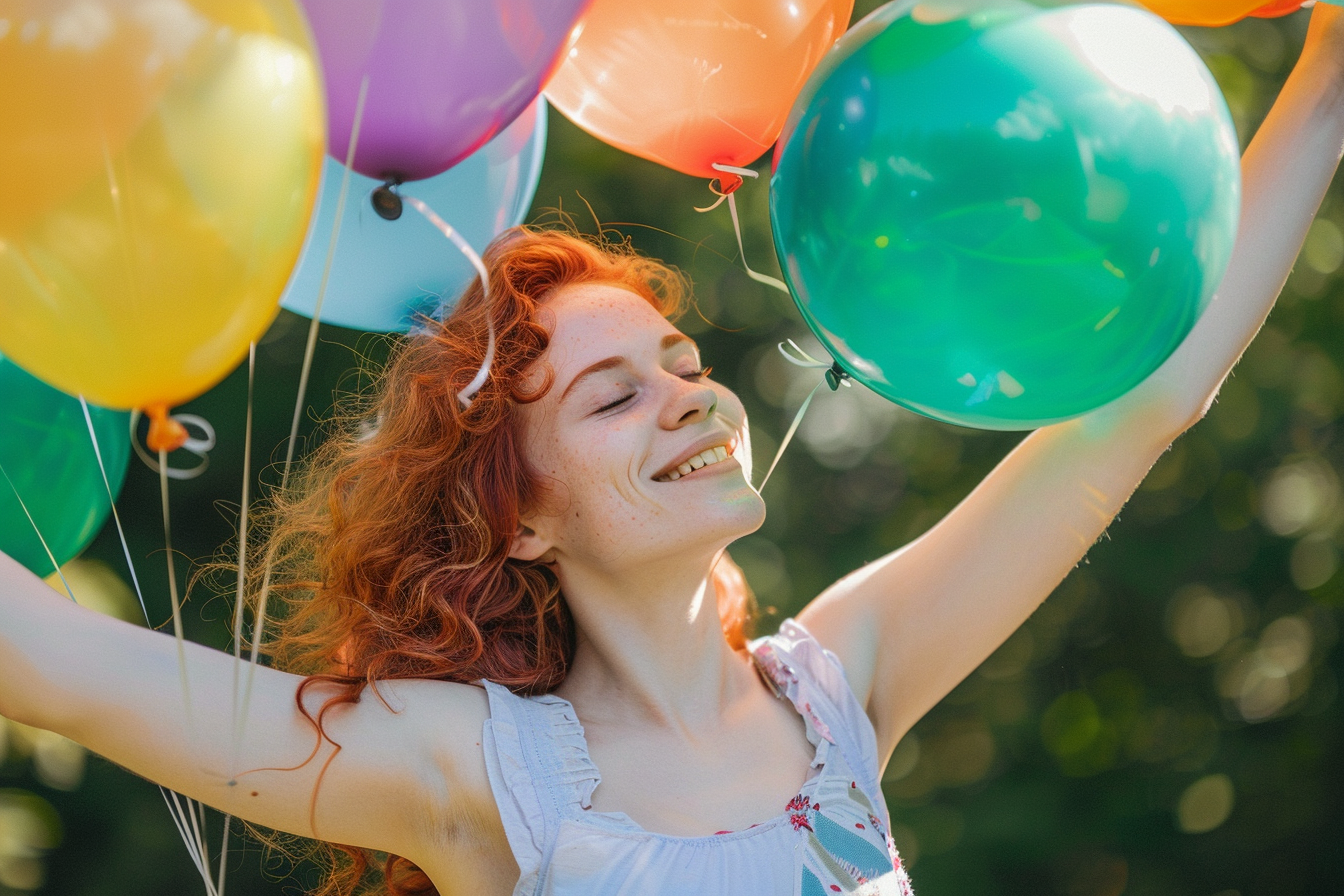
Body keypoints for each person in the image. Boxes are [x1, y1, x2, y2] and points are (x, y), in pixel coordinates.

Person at [4, 8, 1344, 896]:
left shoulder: (838, 690)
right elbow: (53, 664)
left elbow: (1136, 404)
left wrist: (1330, 80)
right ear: (519, 520)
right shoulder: (472, 772)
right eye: (610, 399)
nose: (688, 400)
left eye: (683, 367)